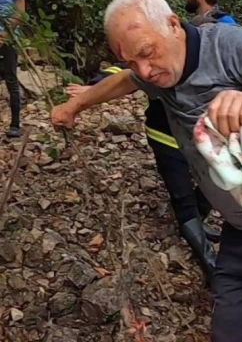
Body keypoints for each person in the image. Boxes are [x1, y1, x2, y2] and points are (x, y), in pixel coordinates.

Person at [50, 0, 242, 342]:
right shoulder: (153, 71)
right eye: (131, 60)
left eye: (147, 53)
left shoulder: (229, 45)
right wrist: (76, 105)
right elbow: (125, 82)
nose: (145, 69)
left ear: (173, 24)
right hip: (239, 232)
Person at [66, 62, 220, 287]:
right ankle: (209, 264)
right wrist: (93, 88)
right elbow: (121, 72)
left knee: (215, 185)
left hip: (204, 138)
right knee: (182, 197)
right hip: (165, 135)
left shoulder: (219, 56)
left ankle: (198, 222)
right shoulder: (158, 58)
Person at [0, 0, 25, 138]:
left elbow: (19, 14)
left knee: (11, 79)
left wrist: (4, 35)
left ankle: (15, 123)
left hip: (7, 38)